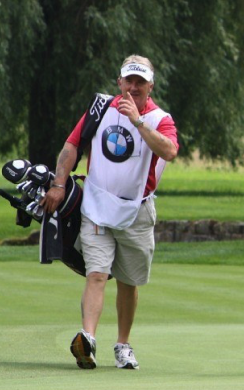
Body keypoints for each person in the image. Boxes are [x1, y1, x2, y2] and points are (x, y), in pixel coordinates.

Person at [43, 55, 179, 370]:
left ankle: (123, 345)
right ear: (119, 82)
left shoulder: (160, 118)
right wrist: (59, 184)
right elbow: (72, 145)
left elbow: (169, 150)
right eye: (129, 81)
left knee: (129, 282)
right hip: (96, 206)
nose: (133, 87)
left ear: (150, 86)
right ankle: (87, 340)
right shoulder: (100, 108)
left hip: (136, 211)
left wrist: (138, 122)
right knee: (97, 273)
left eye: (140, 82)